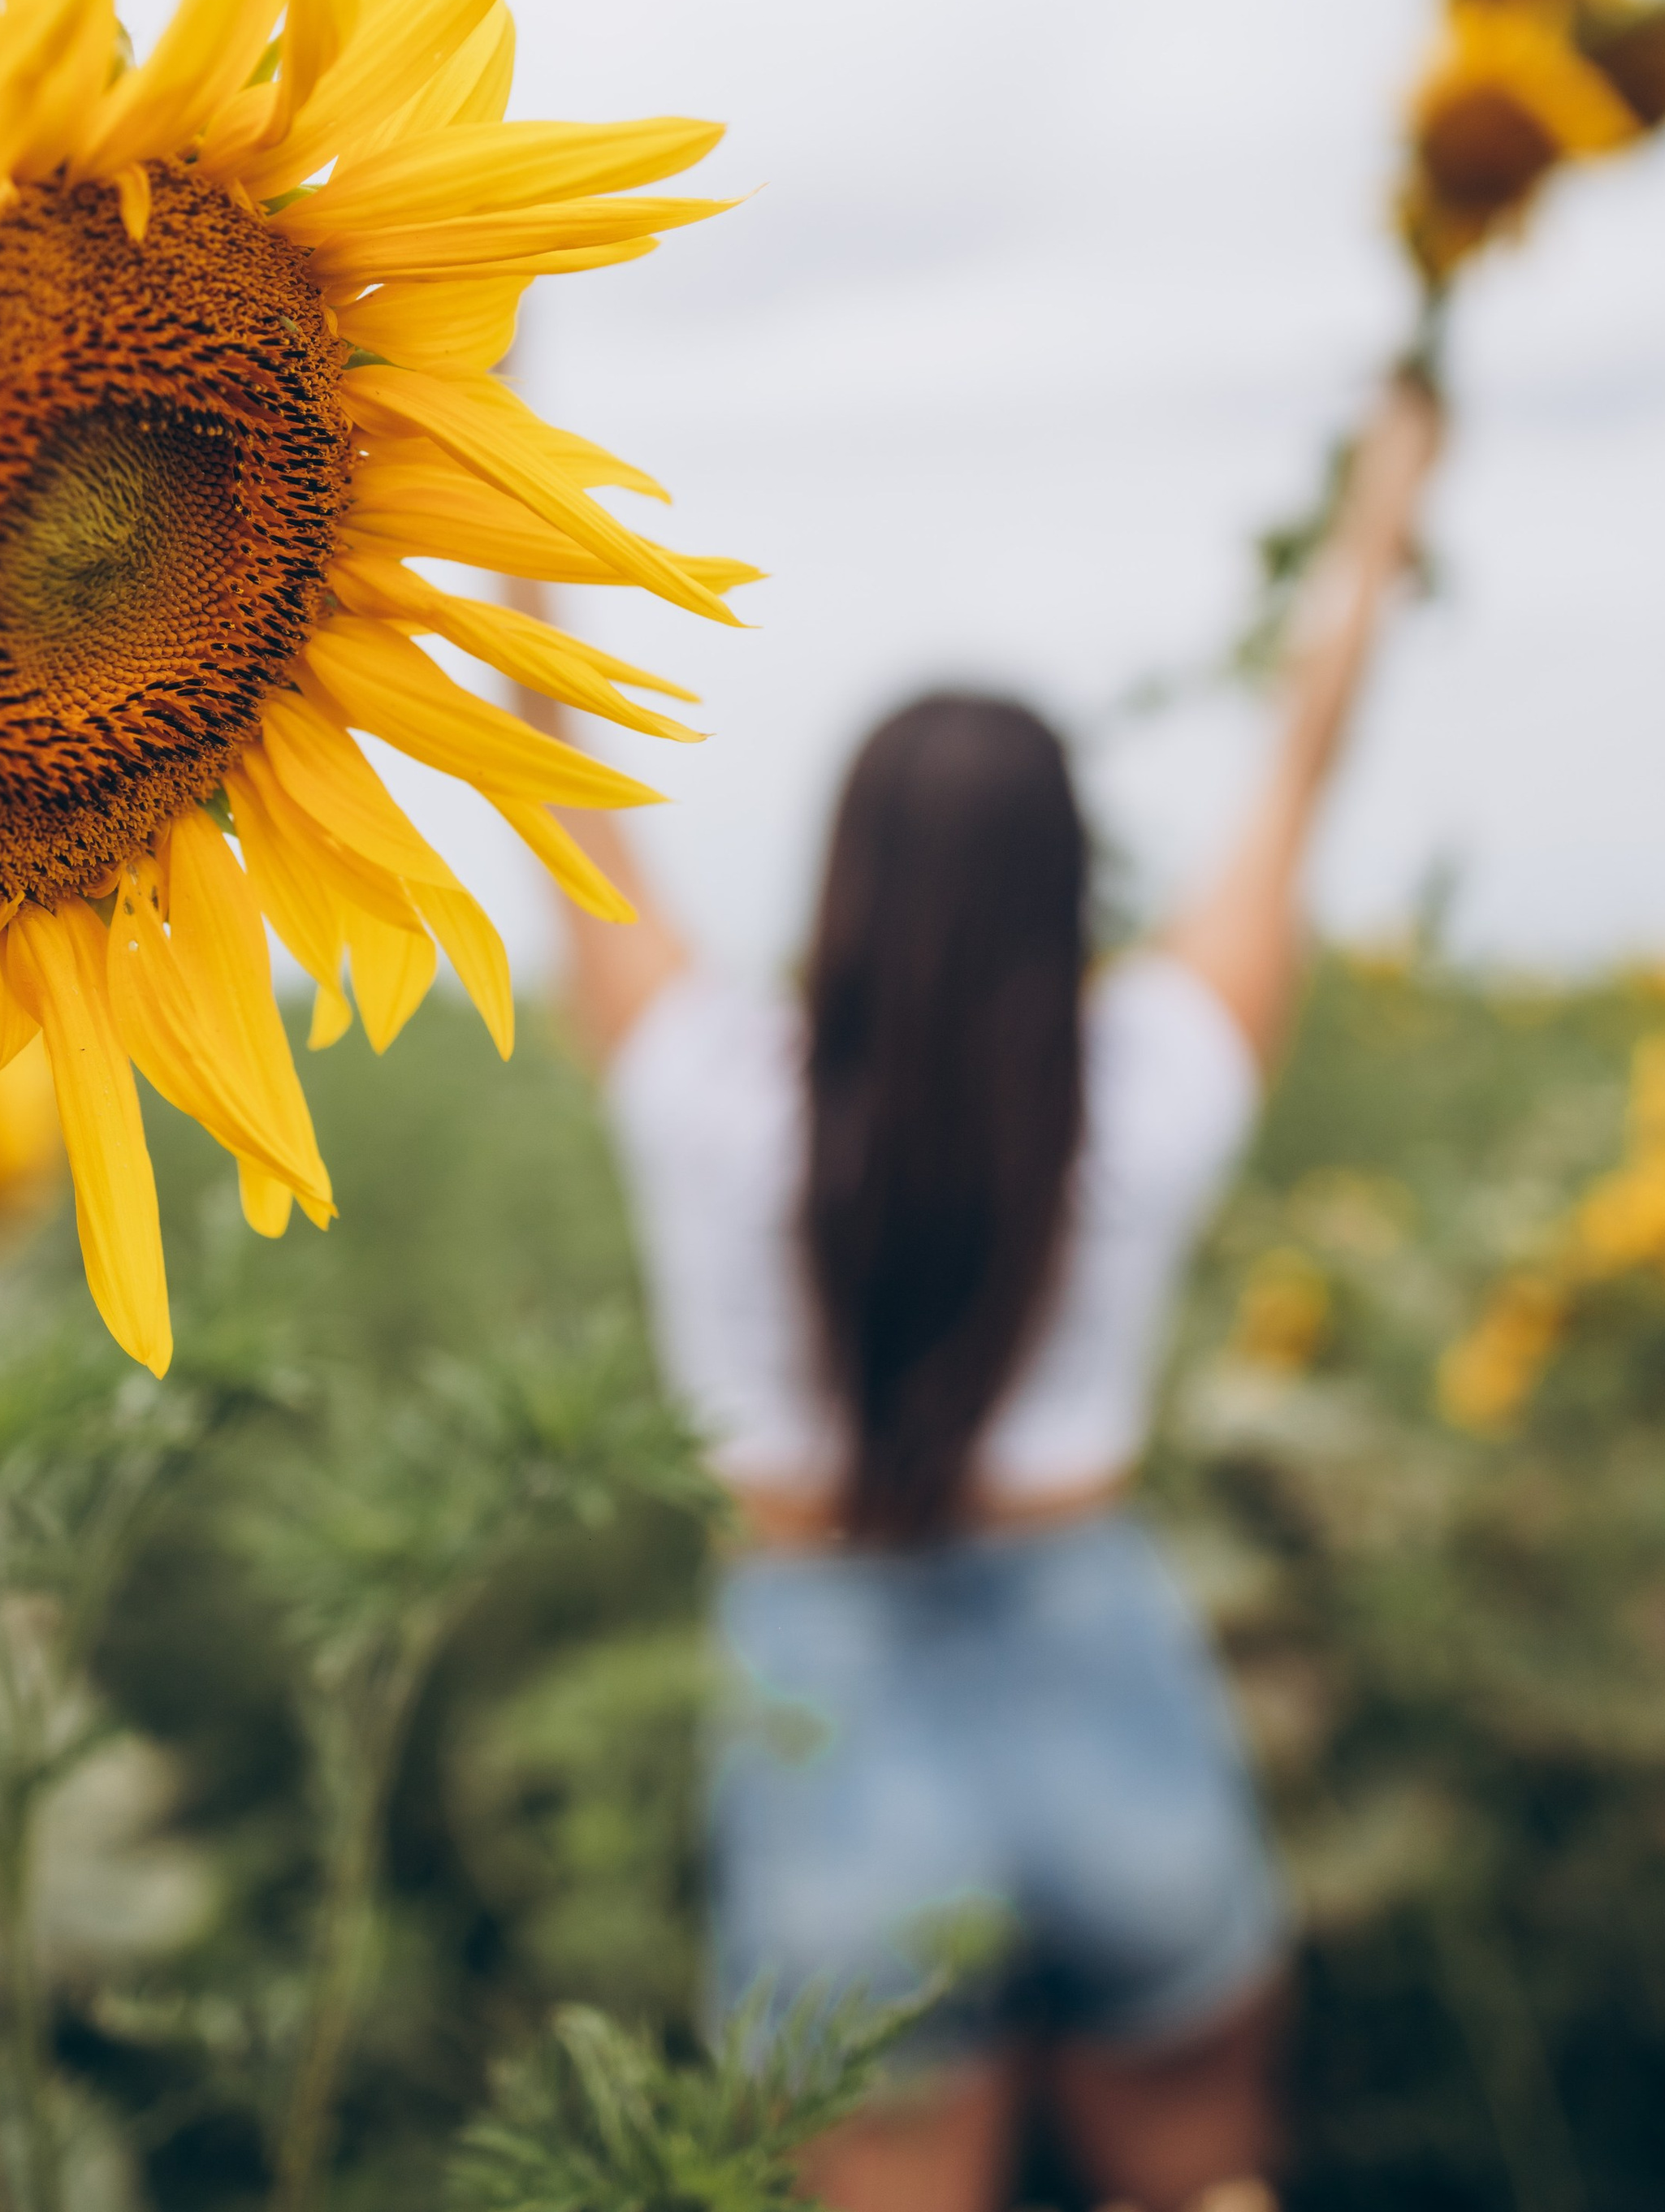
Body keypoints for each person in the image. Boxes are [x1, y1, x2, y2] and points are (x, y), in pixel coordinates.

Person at [507, 369, 1441, 2212]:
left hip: (826, 1711)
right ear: (1071, 885)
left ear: (840, 880)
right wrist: (1384, 500)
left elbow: (554, 776)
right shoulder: (1155, 1086)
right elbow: (1297, 771)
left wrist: (477, 450)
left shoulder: (711, 1096)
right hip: (1109, 1681)